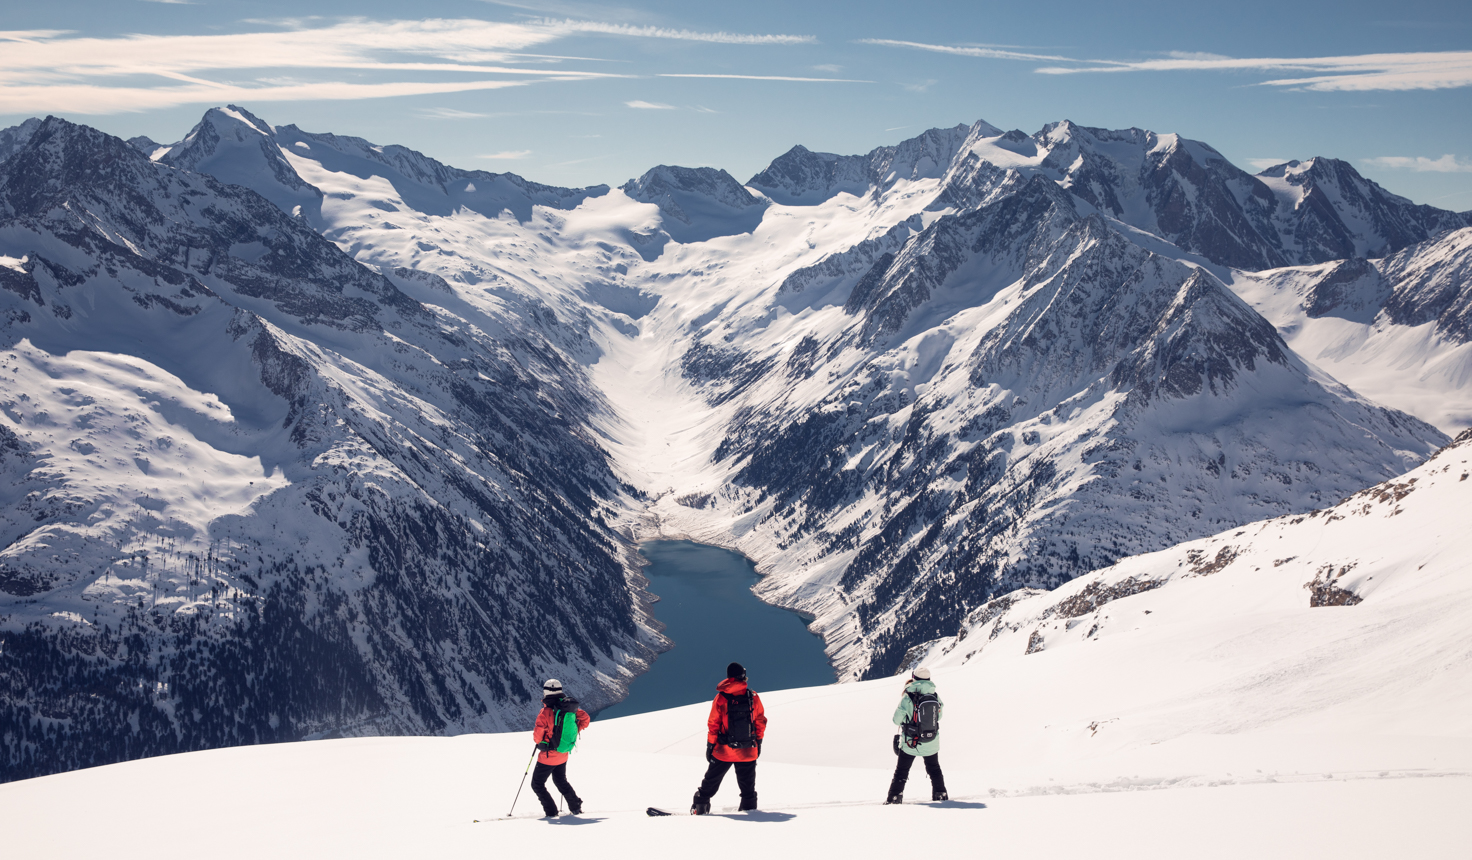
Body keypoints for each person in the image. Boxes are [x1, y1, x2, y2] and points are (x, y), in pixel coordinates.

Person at [691, 662, 768, 814]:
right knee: (748, 786)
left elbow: (713, 724)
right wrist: (758, 742)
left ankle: (700, 807)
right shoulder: (753, 696)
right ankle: (750, 809)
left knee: (711, 781)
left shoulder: (721, 698)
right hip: (748, 749)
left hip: (724, 750)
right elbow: (760, 721)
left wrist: (710, 746)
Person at [886, 667, 948, 804]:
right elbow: (940, 716)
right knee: (934, 770)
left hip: (910, 742)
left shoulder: (908, 697)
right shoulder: (935, 696)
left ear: (914, 678)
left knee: (901, 771)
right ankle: (941, 795)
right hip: (931, 740)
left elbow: (896, 720)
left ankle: (894, 798)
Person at [530, 678, 590, 818]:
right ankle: (575, 806)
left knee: (537, 784)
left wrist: (541, 743)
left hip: (548, 756)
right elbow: (585, 719)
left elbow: (538, 736)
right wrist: (576, 731)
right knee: (560, 780)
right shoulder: (569, 709)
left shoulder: (545, 712)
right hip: (563, 753)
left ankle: (551, 812)